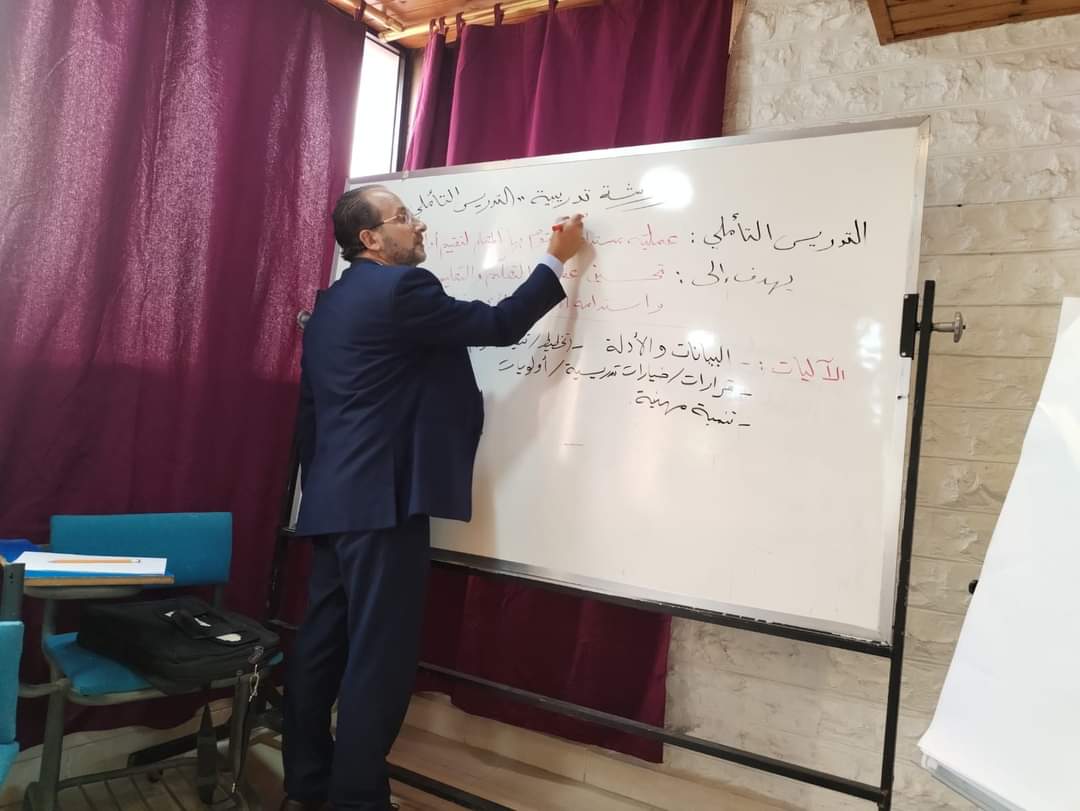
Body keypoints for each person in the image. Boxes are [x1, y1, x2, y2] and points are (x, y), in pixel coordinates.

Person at [281, 185, 586, 811]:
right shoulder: (402, 290)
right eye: (403, 218)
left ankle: (309, 783)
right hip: (383, 505)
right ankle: (357, 801)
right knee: (379, 658)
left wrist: (320, 494)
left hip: (334, 501)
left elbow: (312, 415)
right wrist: (556, 258)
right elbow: (499, 325)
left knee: (320, 648)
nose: (418, 225)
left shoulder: (329, 306)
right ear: (370, 239)